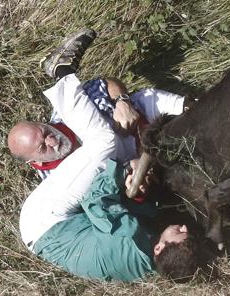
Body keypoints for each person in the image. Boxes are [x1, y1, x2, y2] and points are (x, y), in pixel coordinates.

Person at [13, 29, 198, 281]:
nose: (51, 141)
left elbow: (97, 203)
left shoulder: (129, 241)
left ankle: (61, 72)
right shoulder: (141, 259)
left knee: (104, 141)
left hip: (44, 221)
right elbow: (120, 208)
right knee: (111, 146)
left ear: (159, 248)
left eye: (182, 233)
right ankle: (196, 109)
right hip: (51, 228)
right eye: (42, 146)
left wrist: (124, 171)